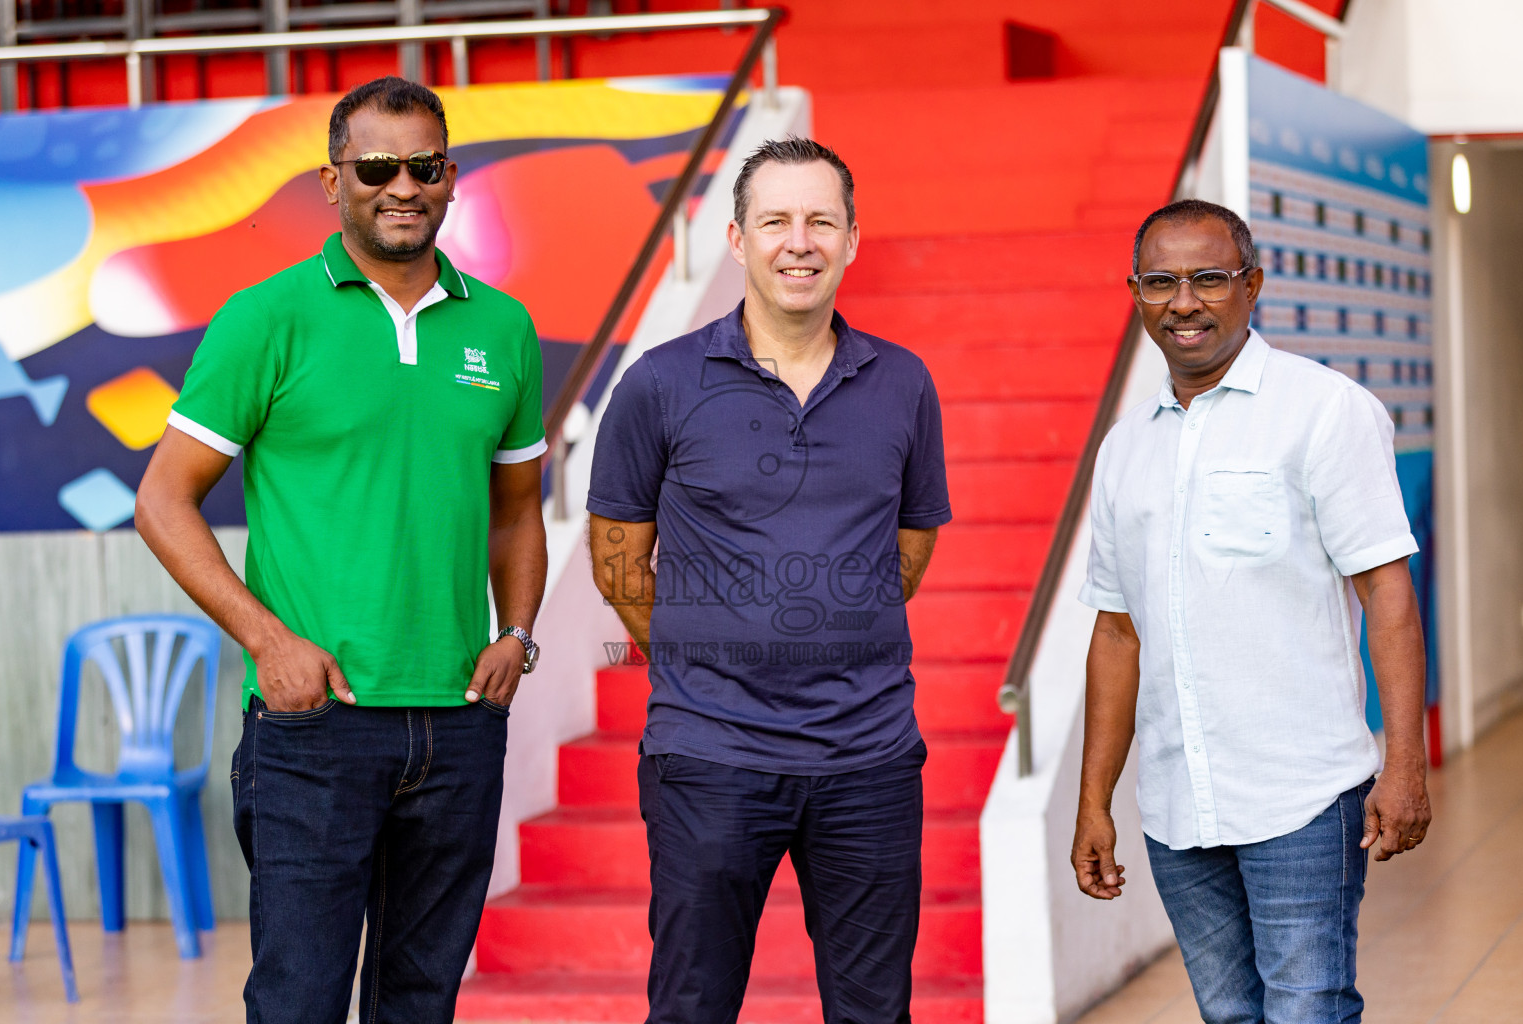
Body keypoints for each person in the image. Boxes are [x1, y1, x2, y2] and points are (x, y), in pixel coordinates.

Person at [134, 76, 548, 1023]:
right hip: (314, 724)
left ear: (451, 178)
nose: (402, 186)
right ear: (333, 181)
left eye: (425, 166)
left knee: (420, 1001)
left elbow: (517, 511)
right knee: (299, 1002)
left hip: (459, 724)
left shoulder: (504, 328)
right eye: (376, 166)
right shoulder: (265, 319)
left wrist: (517, 634)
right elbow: (163, 501)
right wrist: (268, 643)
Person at [586, 136, 952, 1024]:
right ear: (737, 238)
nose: (801, 241)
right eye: (777, 220)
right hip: (708, 756)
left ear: (853, 239)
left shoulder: (903, 383)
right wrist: (705, 653)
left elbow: (905, 551)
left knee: (875, 1012)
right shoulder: (660, 384)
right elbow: (617, 560)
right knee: (692, 1007)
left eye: (822, 220)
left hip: (869, 760)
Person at [1070, 199, 1433, 1023]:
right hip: (1175, 804)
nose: (1184, 302)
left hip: (1300, 796)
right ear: (1135, 293)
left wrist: (1404, 763)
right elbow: (1117, 631)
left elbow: (1387, 594)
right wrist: (1096, 800)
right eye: (1160, 282)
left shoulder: (1323, 410)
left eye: (1208, 278)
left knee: (1307, 1009)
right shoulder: (1126, 448)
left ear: (1253, 285)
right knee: (1230, 1014)